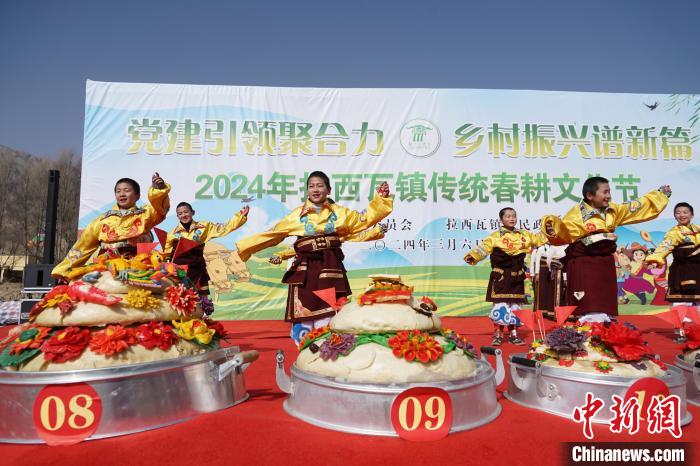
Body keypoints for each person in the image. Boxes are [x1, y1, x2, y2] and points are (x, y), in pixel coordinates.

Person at [235, 171, 393, 343]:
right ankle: (304, 348)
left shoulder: (340, 213)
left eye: (320, 186)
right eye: (311, 186)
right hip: (306, 270)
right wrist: (245, 247)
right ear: (307, 191)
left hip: (330, 267)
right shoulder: (296, 215)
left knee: (328, 313)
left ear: (329, 190)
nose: (315, 190)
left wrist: (381, 200)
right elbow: (273, 234)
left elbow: (363, 219)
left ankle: (326, 349)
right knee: (305, 312)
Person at [542, 176, 671, 317]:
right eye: (605, 192)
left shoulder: (613, 210)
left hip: (606, 265)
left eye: (609, 192)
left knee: (606, 306)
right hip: (584, 265)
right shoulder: (576, 214)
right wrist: (553, 230)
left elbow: (636, 207)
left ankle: (605, 327)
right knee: (586, 307)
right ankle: (587, 327)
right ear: (590, 195)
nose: (608, 196)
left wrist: (659, 195)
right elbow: (564, 233)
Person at [52, 173, 170, 281]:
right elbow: (82, 247)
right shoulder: (101, 221)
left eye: (126, 190)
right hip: (107, 266)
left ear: (137, 196)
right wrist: (64, 270)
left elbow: (160, 210)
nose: (122, 194)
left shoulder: (146, 215)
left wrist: (158, 191)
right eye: (118, 191)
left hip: (139, 265)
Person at [465, 207, 547, 345]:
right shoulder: (495, 236)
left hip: (517, 276)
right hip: (501, 276)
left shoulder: (524, 234)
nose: (512, 218)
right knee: (500, 306)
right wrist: (473, 256)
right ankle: (498, 334)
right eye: (508, 216)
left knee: (515, 306)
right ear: (501, 219)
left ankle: (514, 335)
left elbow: (539, 239)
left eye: (514, 216)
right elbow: (483, 248)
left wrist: (551, 228)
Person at [164, 202, 249, 295]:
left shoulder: (204, 226)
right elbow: (167, 254)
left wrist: (240, 217)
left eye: (186, 212)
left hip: (198, 268)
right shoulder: (172, 234)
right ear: (177, 216)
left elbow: (223, 228)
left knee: (201, 297)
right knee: (181, 296)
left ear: (193, 212)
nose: (183, 215)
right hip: (181, 271)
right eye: (180, 214)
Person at [646, 202, 699, 305]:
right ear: (675, 216)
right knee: (682, 304)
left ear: (692, 215)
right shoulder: (673, 233)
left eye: (685, 212)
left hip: (697, 271)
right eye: (678, 213)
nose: (682, 215)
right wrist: (654, 260)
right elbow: (665, 246)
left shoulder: (698, 229)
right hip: (682, 271)